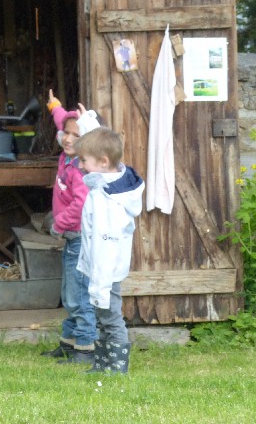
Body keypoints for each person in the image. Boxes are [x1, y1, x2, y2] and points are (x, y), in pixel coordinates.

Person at [74, 127, 144, 375]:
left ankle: (116, 368)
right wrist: (86, 122)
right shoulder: (107, 185)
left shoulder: (109, 201)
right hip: (100, 269)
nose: (80, 165)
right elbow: (99, 142)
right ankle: (103, 364)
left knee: (111, 318)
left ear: (103, 162)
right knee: (102, 317)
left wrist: (99, 283)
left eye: (83, 160)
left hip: (105, 272)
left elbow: (106, 244)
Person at [39, 90, 100, 365]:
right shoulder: (67, 153)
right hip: (71, 238)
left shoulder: (79, 169)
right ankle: (68, 343)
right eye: (67, 134)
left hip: (79, 238)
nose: (68, 138)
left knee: (79, 296)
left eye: (76, 136)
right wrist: (54, 106)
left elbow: (82, 203)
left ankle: (86, 349)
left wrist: (58, 223)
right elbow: (63, 120)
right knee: (69, 293)